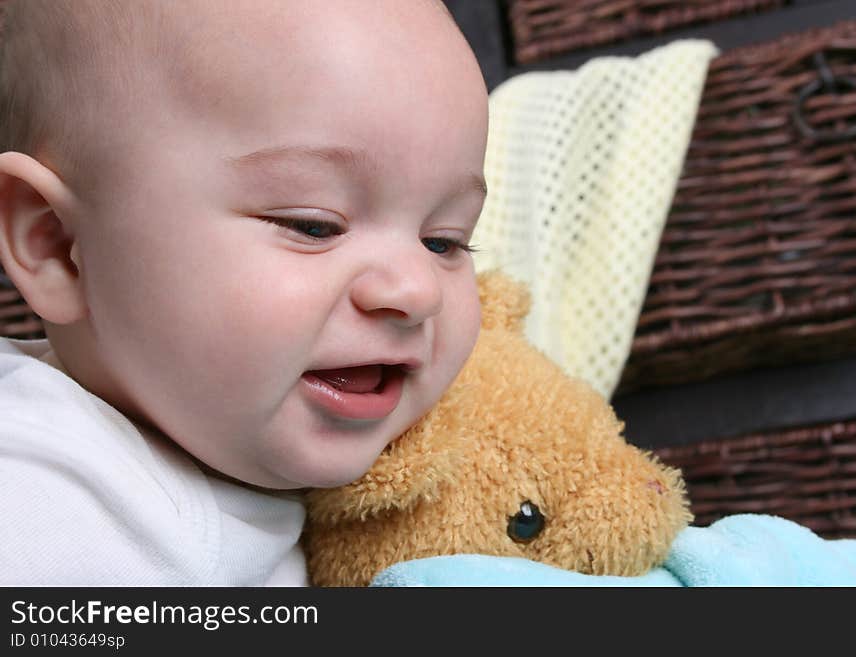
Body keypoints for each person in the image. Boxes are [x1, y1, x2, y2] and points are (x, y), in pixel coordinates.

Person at [0, 0, 489, 585]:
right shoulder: (50, 502)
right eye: (315, 226)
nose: (416, 290)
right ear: (58, 247)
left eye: (444, 241)